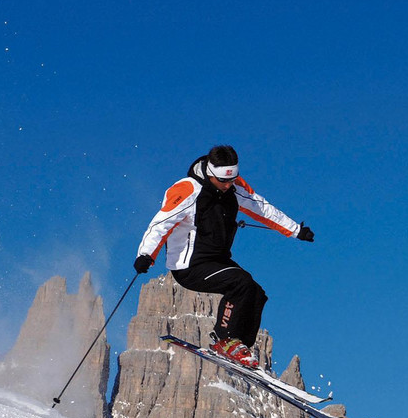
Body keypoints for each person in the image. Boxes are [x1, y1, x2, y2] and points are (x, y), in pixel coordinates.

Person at [134, 145, 314, 369]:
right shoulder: (187, 190)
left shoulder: (234, 187)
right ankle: (225, 340)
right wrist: (146, 254)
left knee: (256, 293)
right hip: (189, 265)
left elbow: (262, 208)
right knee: (240, 283)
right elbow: (160, 224)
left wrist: (296, 230)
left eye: (232, 180)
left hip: (216, 260)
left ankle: (239, 346)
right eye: (222, 181)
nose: (228, 185)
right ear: (211, 173)